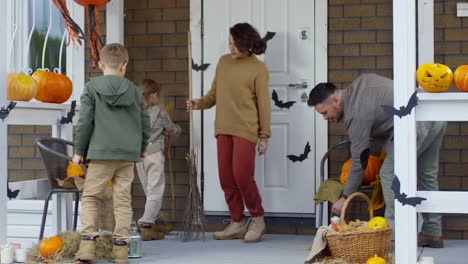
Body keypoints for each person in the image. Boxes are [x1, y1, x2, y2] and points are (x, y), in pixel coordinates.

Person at [308, 73, 446, 248]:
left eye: (325, 112)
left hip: (418, 124)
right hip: (434, 113)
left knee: (389, 174)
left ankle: (396, 237)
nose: (325, 118)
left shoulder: (355, 113)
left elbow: (360, 159)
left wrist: (345, 196)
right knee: (427, 176)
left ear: (336, 101)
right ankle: (432, 233)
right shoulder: (361, 82)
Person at [186, 22, 271, 243]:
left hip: (246, 128)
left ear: (246, 43)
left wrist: (264, 136)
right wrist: (199, 103)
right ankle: (237, 222)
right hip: (223, 127)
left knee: (242, 175)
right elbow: (214, 94)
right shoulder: (224, 62)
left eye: (235, 44)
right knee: (226, 177)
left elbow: (263, 104)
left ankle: (257, 217)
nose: (230, 48)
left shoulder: (258, 69)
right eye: (229, 43)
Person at [73, 43, 150, 263]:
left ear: (100, 64)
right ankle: (120, 250)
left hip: (101, 153)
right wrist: (142, 149)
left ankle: (88, 245)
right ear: (124, 65)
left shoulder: (91, 87)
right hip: (127, 156)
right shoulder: (134, 91)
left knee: (90, 196)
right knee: (123, 200)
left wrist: (79, 151)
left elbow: (85, 121)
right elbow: (145, 123)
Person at [136, 79, 181, 240]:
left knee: (149, 190)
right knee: (155, 190)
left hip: (138, 157)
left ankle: (156, 219)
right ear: (154, 95)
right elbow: (174, 130)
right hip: (154, 156)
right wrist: (178, 129)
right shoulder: (161, 114)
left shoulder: (135, 113)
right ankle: (146, 224)